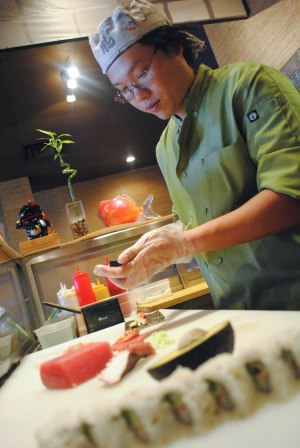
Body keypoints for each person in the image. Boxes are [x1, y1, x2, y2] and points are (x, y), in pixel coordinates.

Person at [90, 0, 300, 310]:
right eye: (125, 90)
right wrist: (166, 239)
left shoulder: (247, 85)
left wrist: (185, 243)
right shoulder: (165, 147)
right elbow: (191, 221)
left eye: (142, 74)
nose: (139, 96)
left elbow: (290, 197)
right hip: (240, 310)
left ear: (175, 46)